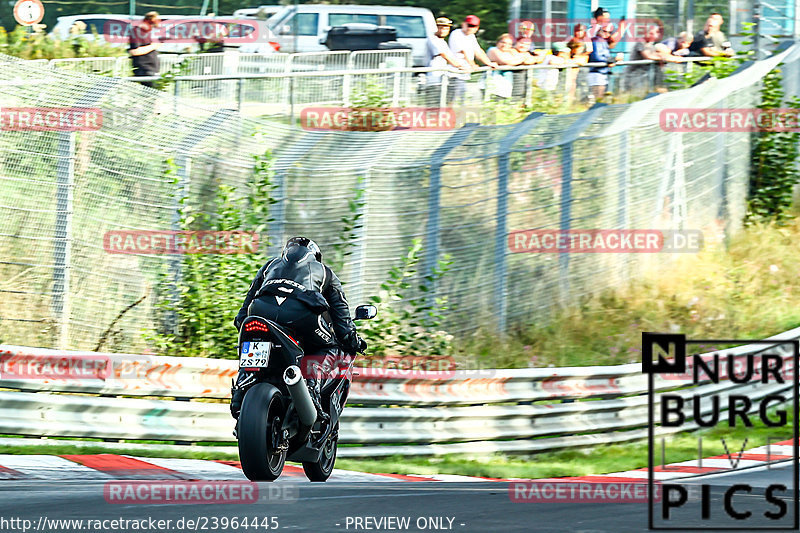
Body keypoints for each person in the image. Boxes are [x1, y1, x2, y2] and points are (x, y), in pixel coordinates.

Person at [230, 237, 366, 422]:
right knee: (330, 347)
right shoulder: (326, 272)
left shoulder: (270, 265)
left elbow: (243, 311)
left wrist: (244, 323)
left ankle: (243, 383)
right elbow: (342, 320)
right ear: (316, 257)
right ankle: (311, 387)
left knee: (254, 338)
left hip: (260, 309)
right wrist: (353, 340)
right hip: (300, 315)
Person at [447, 15, 498, 102]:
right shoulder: (456, 34)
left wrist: (489, 63)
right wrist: (473, 64)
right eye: (469, 25)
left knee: (462, 101)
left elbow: (478, 51)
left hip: (464, 74)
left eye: (473, 26)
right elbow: (463, 52)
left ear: (477, 28)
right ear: (463, 24)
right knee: (452, 101)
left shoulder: (471, 37)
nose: (470, 28)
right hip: (454, 73)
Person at [424, 16, 468, 104]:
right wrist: (460, 67)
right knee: (433, 107)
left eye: (445, 28)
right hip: (433, 80)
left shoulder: (442, 42)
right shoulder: (433, 39)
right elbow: (444, 55)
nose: (442, 30)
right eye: (440, 27)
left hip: (442, 79)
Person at [588, 24, 623, 103]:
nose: (606, 33)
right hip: (596, 74)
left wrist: (613, 60)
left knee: (601, 99)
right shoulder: (597, 40)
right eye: (604, 31)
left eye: (609, 32)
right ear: (599, 30)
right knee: (598, 100)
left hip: (602, 74)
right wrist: (614, 59)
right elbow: (597, 57)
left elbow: (604, 57)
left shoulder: (603, 41)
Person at [129, 11, 162, 87]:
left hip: (152, 69)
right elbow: (134, 51)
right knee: (151, 94)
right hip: (144, 69)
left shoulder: (148, 33)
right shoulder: (137, 32)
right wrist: (154, 46)